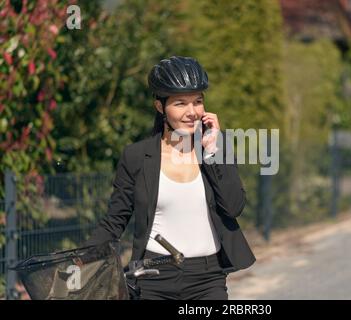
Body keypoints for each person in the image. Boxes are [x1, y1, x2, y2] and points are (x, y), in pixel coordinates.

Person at [83, 56, 256, 300]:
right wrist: (80, 261)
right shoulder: (136, 157)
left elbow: (234, 206)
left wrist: (212, 151)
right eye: (180, 103)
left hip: (208, 279)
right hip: (153, 277)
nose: (192, 112)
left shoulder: (217, 147)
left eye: (198, 102)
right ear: (160, 106)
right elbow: (114, 221)